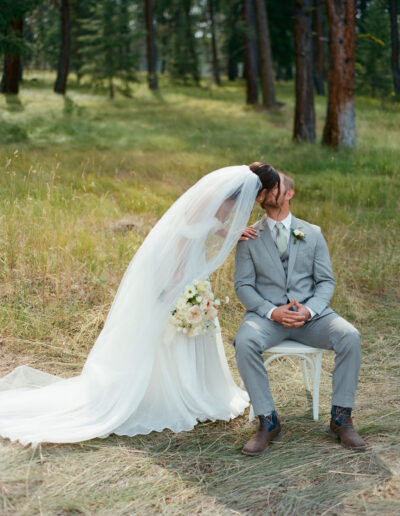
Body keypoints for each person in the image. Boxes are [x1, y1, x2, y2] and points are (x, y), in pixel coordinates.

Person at [0, 164, 279, 446]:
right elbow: (184, 234)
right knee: (167, 326)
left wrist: (230, 234)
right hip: (174, 266)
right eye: (265, 195)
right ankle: (164, 394)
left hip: (187, 268)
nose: (260, 201)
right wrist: (177, 279)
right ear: (260, 191)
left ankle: (192, 390)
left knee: (187, 326)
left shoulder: (224, 198)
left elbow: (209, 225)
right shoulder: (213, 198)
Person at [234, 165, 367, 456]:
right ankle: (268, 422)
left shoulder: (313, 233)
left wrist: (308, 310)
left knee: (350, 336)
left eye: (274, 186)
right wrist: (272, 312)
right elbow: (243, 285)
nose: (267, 191)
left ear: (289, 193)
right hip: (267, 318)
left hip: (311, 318)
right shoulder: (248, 236)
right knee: (244, 341)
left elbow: (326, 281)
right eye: (263, 189)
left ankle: (341, 419)